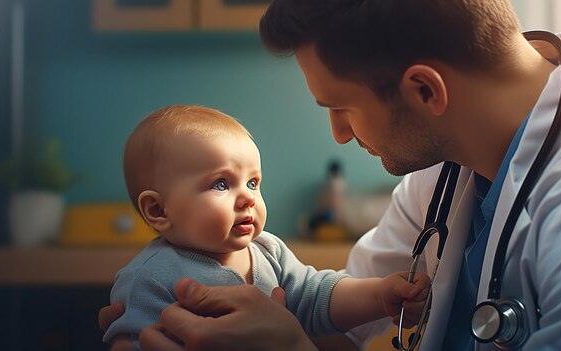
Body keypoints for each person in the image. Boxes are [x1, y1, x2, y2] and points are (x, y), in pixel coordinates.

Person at [100, 0, 561, 349]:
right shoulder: (442, 170)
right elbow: (333, 317)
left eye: (341, 107)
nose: (340, 135)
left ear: (425, 91)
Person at [101, 105, 430, 350]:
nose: (248, 197)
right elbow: (132, 340)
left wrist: (379, 295)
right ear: (158, 210)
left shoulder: (268, 251)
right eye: (220, 184)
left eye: (253, 182)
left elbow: (316, 296)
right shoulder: (149, 276)